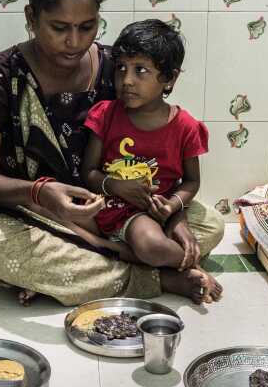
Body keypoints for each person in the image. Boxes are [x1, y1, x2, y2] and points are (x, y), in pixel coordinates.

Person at [0, 0, 224, 306]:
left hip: (121, 213)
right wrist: (42, 193)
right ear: (31, 18)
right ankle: (154, 276)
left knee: (210, 223)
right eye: (59, 27)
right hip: (38, 216)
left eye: (87, 27)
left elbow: (160, 155)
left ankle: (95, 271)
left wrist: (173, 216)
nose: (74, 41)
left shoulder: (118, 70)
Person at [71, 19, 218, 301]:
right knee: (60, 225)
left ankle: (161, 258)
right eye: (121, 68)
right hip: (104, 210)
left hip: (145, 215)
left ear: (170, 79)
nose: (126, 80)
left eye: (141, 71)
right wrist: (115, 185)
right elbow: (88, 172)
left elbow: (191, 181)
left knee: (153, 242)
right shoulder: (106, 114)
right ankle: (183, 263)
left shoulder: (185, 127)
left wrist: (173, 208)